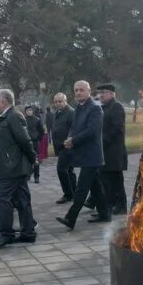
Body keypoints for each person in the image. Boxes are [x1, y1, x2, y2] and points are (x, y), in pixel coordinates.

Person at [0, 90, 38, 249]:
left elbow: (25, 140)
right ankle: (28, 233)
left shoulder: (14, 116)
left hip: (12, 167)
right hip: (12, 167)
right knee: (22, 199)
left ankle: (6, 234)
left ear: (3, 101)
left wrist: (32, 158)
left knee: (1, 198)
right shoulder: (7, 117)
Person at [56, 81, 109, 230]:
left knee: (82, 187)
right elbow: (75, 127)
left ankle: (70, 218)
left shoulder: (95, 109)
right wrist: (69, 139)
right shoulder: (79, 108)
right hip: (83, 153)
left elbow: (92, 131)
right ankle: (105, 213)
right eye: (76, 90)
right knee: (96, 186)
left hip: (92, 155)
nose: (78, 92)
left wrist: (74, 140)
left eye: (81, 90)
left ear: (88, 91)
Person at [96, 84, 128, 215]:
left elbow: (117, 130)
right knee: (107, 180)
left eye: (103, 92)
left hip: (114, 152)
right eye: (100, 93)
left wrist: (102, 141)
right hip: (106, 151)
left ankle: (120, 206)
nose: (100, 95)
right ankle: (110, 205)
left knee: (116, 181)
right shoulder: (104, 108)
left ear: (112, 94)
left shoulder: (116, 107)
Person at [52, 92, 77, 204]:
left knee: (61, 169)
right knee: (69, 171)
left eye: (60, 101)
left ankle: (68, 194)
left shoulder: (71, 112)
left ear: (65, 101)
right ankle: (74, 193)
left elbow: (74, 129)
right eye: (56, 102)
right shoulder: (57, 113)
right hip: (59, 146)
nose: (58, 104)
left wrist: (68, 141)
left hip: (67, 146)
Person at [24, 106, 45, 184]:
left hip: (35, 142)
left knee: (35, 160)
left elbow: (41, 131)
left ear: (32, 111)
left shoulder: (37, 120)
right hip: (26, 142)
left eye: (30, 110)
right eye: (27, 110)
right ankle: (28, 174)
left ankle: (36, 176)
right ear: (25, 111)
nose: (29, 111)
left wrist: (38, 139)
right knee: (26, 159)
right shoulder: (23, 119)